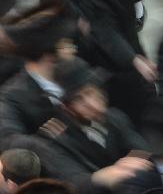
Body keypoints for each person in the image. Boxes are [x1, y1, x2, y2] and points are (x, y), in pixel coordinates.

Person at [32, 57, 153, 193]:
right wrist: (100, 177)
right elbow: (70, 179)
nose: (93, 104)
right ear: (65, 107)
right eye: (79, 99)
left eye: (92, 92)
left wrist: (133, 162)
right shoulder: (53, 138)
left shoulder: (114, 117)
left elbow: (141, 147)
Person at [0, 0, 76, 150]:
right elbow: (9, 140)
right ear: (50, 53)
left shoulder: (77, 72)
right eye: (66, 44)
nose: (73, 49)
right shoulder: (12, 97)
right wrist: (43, 138)